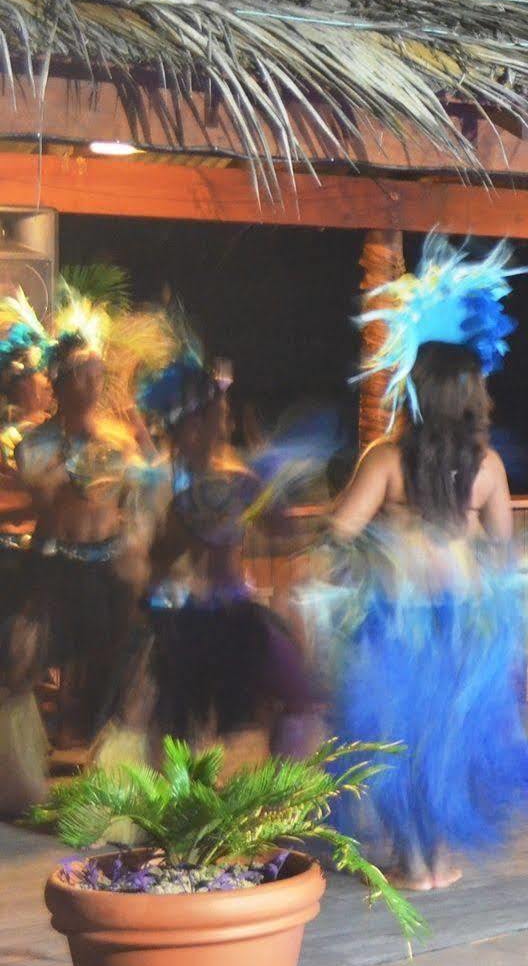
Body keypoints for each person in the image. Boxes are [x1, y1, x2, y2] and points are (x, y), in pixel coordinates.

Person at [303, 235, 528, 891]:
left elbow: (338, 533)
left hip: (399, 622)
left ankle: (412, 864)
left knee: (402, 742)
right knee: (444, 740)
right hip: (467, 623)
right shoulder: (486, 467)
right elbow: (502, 551)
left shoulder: (386, 460)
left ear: (416, 392)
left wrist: (370, 560)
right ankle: (438, 860)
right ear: (470, 395)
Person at [131, 348, 321, 758]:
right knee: (180, 724)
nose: (229, 415)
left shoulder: (239, 475)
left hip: (236, 614)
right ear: (197, 422)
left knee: (294, 700)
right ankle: (179, 810)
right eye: (221, 408)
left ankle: (269, 800)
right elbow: (157, 557)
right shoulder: (163, 480)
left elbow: (284, 531)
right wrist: (189, 524)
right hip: (183, 621)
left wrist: (274, 479)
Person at [12, 296, 168, 752]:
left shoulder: (118, 441)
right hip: (56, 566)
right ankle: (32, 752)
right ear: (60, 382)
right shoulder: (35, 444)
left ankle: (92, 749)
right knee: (31, 655)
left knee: (110, 658)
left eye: (99, 375)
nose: (95, 384)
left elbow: (156, 480)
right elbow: (47, 497)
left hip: (109, 568)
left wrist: (138, 431)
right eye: (85, 375)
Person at [0, 293, 52, 811]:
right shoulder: (20, 438)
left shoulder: (42, 435)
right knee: (14, 669)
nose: (46, 383)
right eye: (38, 375)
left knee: (20, 668)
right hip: (12, 560)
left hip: (29, 559)